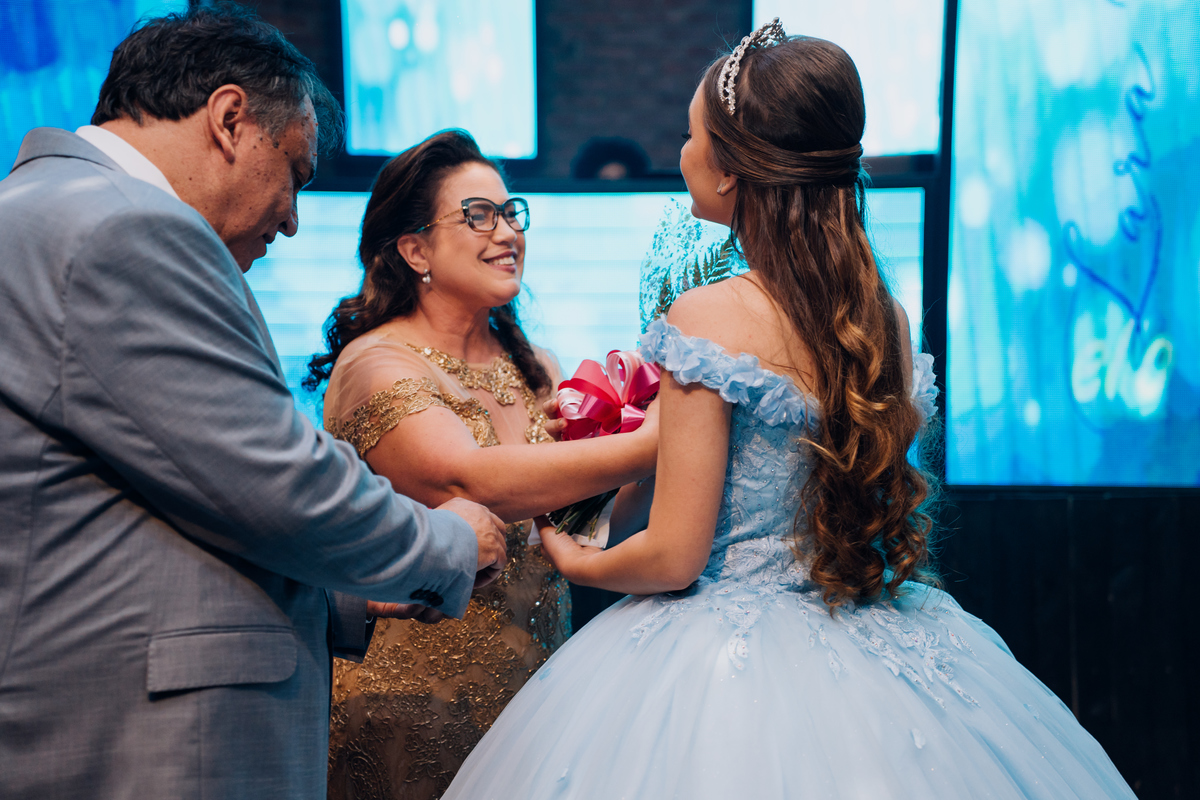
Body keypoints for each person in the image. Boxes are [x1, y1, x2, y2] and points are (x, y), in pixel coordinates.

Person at [440, 23, 1138, 799]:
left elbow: (674, 557)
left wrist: (578, 561)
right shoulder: (884, 318)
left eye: (691, 135)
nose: (682, 152)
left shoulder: (707, 318)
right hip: (880, 628)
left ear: (731, 168)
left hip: (716, 656)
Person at [0, 8, 507, 800]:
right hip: (151, 747)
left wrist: (340, 591)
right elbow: (273, 481)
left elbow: (156, 503)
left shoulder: (55, 209)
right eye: (295, 173)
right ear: (230, 119)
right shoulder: (122, 229)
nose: (293, 221)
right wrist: (448, 543)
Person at [307, 129, 658, 799]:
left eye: (510, 212)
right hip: (409, 711)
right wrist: (652, 443)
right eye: (478, 215)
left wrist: (653, 430)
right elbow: (471, 479)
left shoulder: (536, 367)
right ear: (415, 250)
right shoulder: (376, 365)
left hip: (535, 700)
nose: (507, 232)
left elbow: (581, 524)